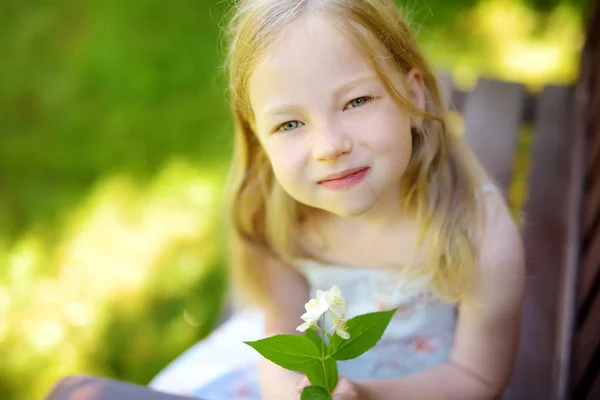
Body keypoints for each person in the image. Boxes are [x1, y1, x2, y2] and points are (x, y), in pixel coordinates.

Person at [149, 0, 526, 398]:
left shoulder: (478, 238)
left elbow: (477, 379)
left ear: (414, 95)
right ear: (259, 137)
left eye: (356, 101)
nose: (329, 147)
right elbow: (282, 330)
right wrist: (289, 391)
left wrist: (366, 396)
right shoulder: (281, 216)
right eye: (290, 124)